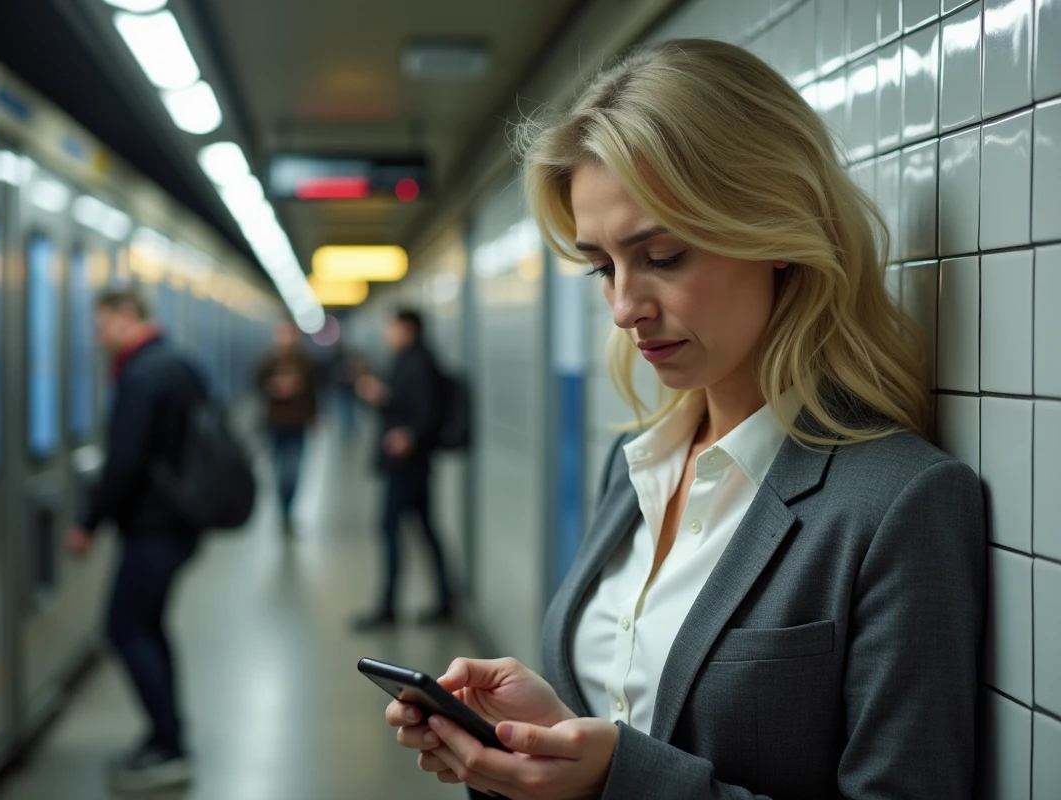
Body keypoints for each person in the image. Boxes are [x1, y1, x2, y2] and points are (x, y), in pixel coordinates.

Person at [386, 40, 986, 799]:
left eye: (663, 254)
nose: (625, 308)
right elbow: (634, 728)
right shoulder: (634, 467)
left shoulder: (898, 504)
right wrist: (533, 749)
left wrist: (619, 780)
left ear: (776, 232)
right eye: (604, 267)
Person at [67, 287, 205, 793]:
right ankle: (166, 735)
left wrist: (88, 521)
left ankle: (169, 747)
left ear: (128, 317)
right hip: (178, 523)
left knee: (123, 627)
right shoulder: (177, 363)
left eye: (102, 324)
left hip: (154, 527)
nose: (98, 336)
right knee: (146, 624)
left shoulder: (142, 373)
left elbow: (123, 460)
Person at [353, 309, 453, 630]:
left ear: (407, 329)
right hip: (411, 465)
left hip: (408, 465)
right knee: (424, 530)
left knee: (390, 529)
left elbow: (425, 412)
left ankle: (388, 607)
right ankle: (444, 600)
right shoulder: (410, 360)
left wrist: (408, 433)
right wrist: (382, 397)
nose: (387, 333)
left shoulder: (418, 364)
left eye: (391, 328)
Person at [256, 320, 319, 536]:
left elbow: (314, 392)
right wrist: (273, 387)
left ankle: (287, 510)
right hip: (275, 422)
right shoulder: (267, 360)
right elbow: (256, 384)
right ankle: (283, 512)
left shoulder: (306, 361)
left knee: (291, 471)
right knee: (278, 469)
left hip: (298, 423)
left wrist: (314, 417)